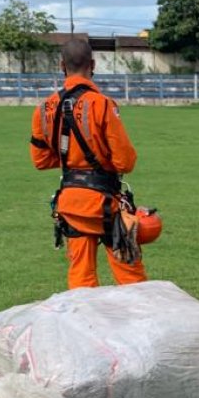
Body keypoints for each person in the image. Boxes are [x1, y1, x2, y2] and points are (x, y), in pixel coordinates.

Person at [30, 38, 146, 289]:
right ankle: (138, 326)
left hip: (70, 203)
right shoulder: (102, 104)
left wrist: (71, 157)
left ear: (62, 65)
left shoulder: (44, 109)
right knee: (132, 280)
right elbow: (124, 161)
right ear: (93, 64)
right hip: (105, 203)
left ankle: (84, 327)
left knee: (81, 281)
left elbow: (41, 160)